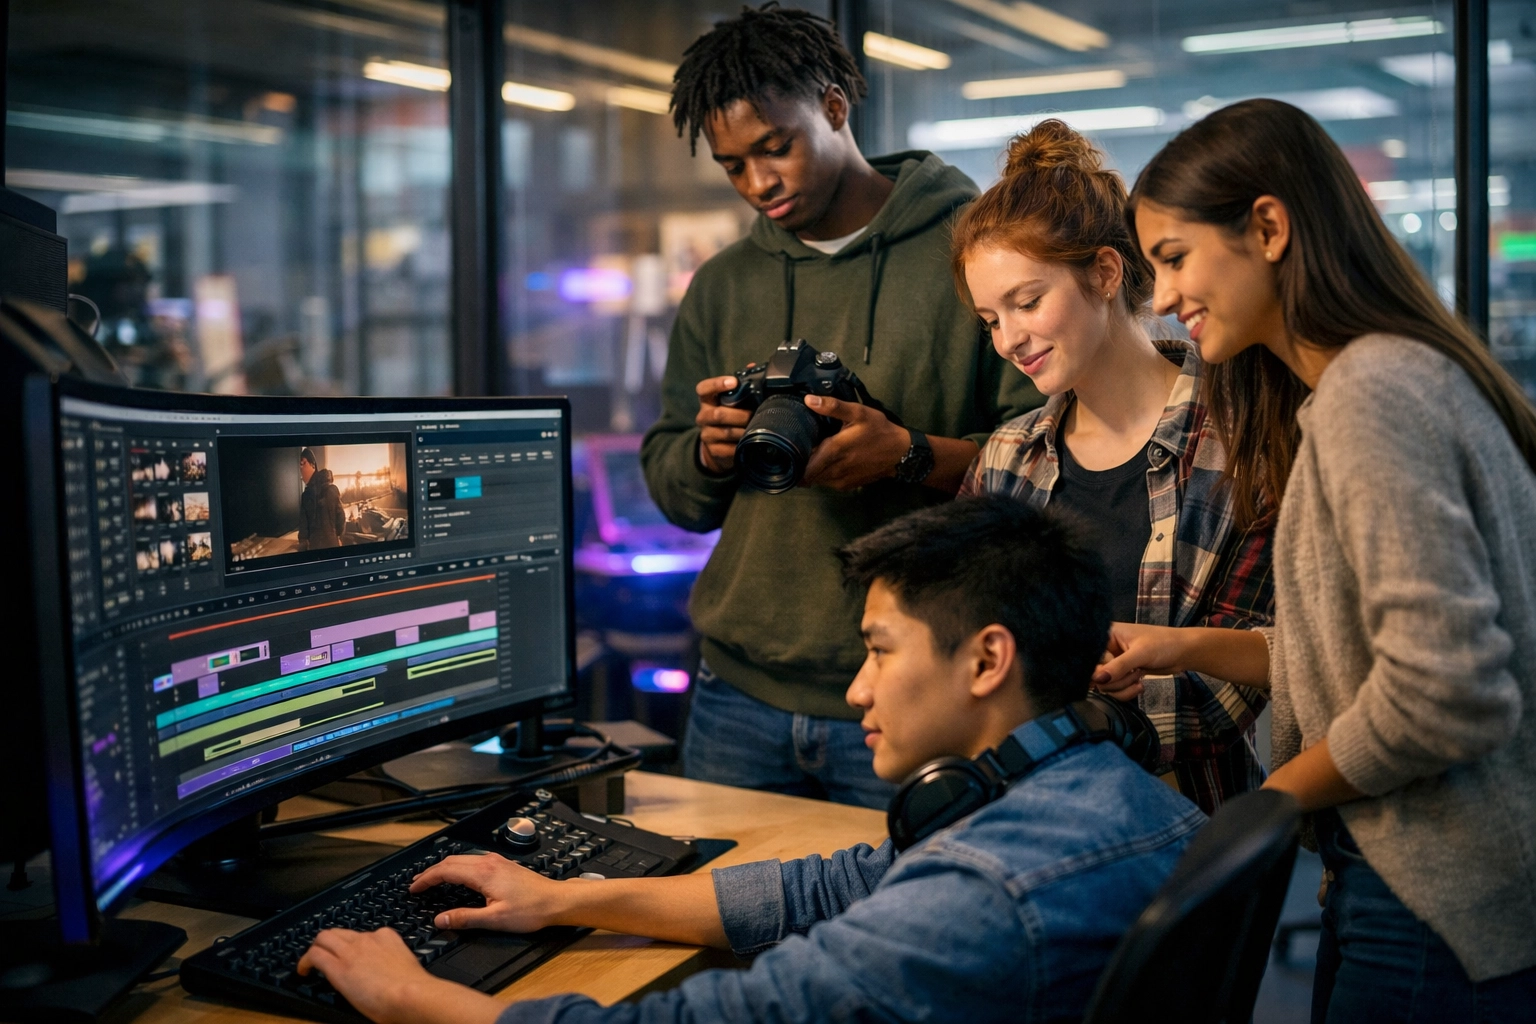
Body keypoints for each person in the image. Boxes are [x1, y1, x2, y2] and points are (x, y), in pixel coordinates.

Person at [294, 496, 1203, 1023]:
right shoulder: (1094, 786)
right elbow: (822, 890)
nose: (857, 691)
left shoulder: (982, 895)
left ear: (987, 659)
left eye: (881, 650)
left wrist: (408, 999)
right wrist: (568, 898)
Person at [1099, 98, 1536, 1019]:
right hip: (1422, 879)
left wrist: (1267, 806)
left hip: (1432, 892)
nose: (1166, 297)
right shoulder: (1384, 378)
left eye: (1174, 258)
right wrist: (1174, 647)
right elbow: (1361, 658)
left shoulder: (1369, 394)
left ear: (1266, 226)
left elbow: (1445, 693)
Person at [642, 4, 1040, 810]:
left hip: (916, 693)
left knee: (895, 934)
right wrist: (708, 452)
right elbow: (674, 489)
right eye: (732, 166)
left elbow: (1046, 469)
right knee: (715, 932)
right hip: (738, 691)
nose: (759, 184)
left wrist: (906, 455)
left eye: (774, 148)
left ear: (833, 107)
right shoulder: (722, 284)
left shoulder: (971, 251)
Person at [953, 120, 1273, 814]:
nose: (1008, 340)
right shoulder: (1007, 457)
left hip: (1183, 831)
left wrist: (1038, 721)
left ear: (1104, 271)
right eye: (989, 319)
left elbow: (1232, 692)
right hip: (1020, 819)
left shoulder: (1240, 445)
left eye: (1027, 302)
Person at [298, 447, 344, 551]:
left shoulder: (307, 495)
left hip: (316, 549)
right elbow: (341, 518)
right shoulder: (332, 489)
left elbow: (303, 530)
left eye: (303, 463)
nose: (301, 469)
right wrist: (338, 537)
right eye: (299, 465)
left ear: (313, 465)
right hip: (333, 545)